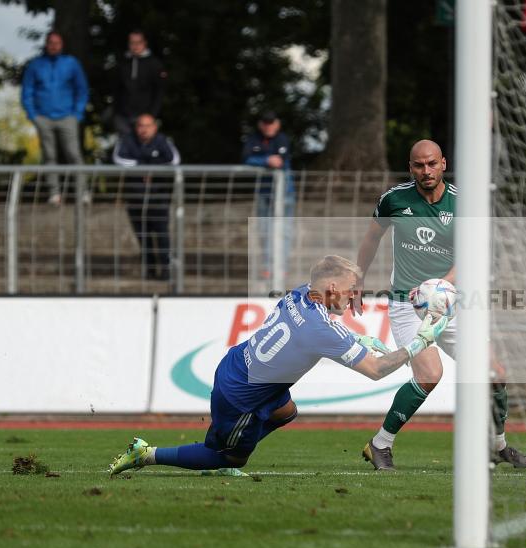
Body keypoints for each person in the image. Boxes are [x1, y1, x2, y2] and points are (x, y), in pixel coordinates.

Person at [108, 255, 449, 477]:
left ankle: (229, 440)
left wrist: (361, 338)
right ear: (332, 288)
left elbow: (323, 328)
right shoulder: (320, 330)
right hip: (243, 397)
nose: (352, 297)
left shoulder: (300, 294)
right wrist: (419, 343)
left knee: (286, 412)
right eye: (350, 291)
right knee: (228, 458)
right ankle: (147, 453)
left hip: (237, 364)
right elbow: (376, 370)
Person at [355, 139, 526, 471]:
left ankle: (497, 447)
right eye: (418, 165)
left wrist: (442, 286)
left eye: (431, 164)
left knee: (495, 374)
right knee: (429, 374)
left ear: (443, 164)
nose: (426, 171)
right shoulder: (393, 200)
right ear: (411, 168)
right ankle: (380, 444)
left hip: (451, 303)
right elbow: (371, 239)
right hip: (407, 305)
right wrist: (358, 278)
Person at [21, 31, 88, 205]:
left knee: (74, 154)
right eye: (51, 43)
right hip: (43, 117)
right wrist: (33, 115)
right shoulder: (36, 65)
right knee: (49, 155)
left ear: (62, 45)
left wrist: (77, 113)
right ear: (46, 44)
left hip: (68, 116)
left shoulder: (71, 63)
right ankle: (54, 194)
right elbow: (27, 91)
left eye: (57, 43)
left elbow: (81, 89)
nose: (54, 46)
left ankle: (82, 192)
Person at [113, 113, 180, 281]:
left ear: (154, 127)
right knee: (143, 237)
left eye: (147, 126)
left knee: (162, 234)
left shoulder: (163, 141)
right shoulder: (127, 140)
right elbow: (119, 159)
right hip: (135, 198)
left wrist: (150, 169)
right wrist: (144, 167)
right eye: (140, 126)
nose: (144, 129)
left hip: (158, 198)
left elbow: (173, 160)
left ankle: (166, 269)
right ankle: (149, 269)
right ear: (136, 128)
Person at [242, 111, 296, 280]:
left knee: (284, 231)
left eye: (271, 122)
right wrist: (266, 160)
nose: (268, 126)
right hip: (264, 193)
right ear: (260, 124)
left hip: (284, 194)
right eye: (265, 122)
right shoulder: (254, 139)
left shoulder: (282, 139)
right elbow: (247, 158)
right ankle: (267, 267)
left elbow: (280, 162)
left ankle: (281, 267)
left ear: (277, 124)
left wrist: (262, 159)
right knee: (265, 230)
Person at [113, 30, 166, 138]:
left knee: (144, 145)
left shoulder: (154, 64)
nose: (135, 46)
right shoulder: (122, 63)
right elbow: (116, 89)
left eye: (138, 42)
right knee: (125, 145)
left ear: (144, 43)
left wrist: (152, 115)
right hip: (123, 117)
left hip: (146, 118)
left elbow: (159, 92)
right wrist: (116, 112)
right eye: (132, 43)